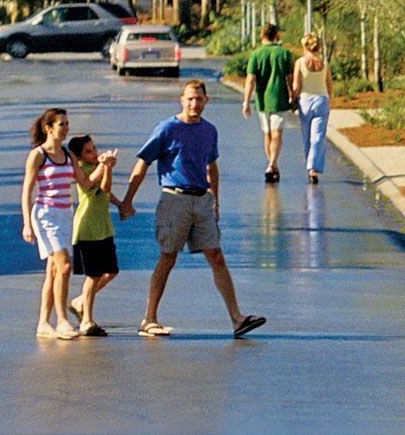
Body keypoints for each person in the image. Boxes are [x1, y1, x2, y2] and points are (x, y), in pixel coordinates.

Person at [120, 78, 265, 339]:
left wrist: (215, 200)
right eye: (189, 99)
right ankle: (149, 318)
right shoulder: (167, 128)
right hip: (174, 199)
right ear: (181, 100)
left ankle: (237, 318)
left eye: (199, 99)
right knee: (168, 256)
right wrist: (128, 199)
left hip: (202, 200)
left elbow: (212, 166)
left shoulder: (209, 130)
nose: (194, 103)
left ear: (206, 101)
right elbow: (143, 163)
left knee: (216, 256)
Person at [19, 109, 81, 342]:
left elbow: (83, 181)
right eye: (61, 124)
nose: (65, 128)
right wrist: (27, 223)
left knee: (54, 271)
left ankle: (43, 323)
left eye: (67, 124)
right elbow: (27, 190)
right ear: (48, 128)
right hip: (45, 215)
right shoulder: (38, 155)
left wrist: (105, 166)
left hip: (66, 214)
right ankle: (63, 320)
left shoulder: (67, 154)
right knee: (65, 267)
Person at [66, 130, 122, 336]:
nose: (94, 153)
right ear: (80, 157)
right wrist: (103, 165)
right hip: (87, 228)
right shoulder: (81, 169)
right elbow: (90, 182)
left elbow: (105, 188)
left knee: (111, 271)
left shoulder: (97, 167)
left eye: (94, 149)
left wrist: (121, 204)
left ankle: (80, 301)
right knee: (93, 275)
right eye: (89, 151)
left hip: (103, 227)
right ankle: (87, 320)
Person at [241, 22, 300, 185]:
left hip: (262, 100)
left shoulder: (256, 54)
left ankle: (271, 165)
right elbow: (290, 78)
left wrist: (246, 101)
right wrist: (293, 97)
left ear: (262, 36)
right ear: (276, 36)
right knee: (277, 134)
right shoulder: (284, 54)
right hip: (280, 99)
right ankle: (272, 164)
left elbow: (250, 79)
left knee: (267, 134)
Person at [294, 31, 335, 183]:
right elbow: (329, 84)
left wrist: (293, 100)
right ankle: (314, 169)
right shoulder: (324, 63)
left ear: (305, 46)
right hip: (321, 100)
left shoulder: (300, 62)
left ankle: (309, 165)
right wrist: (330, 99)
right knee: (318, 137)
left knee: (307, 137)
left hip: (305, 101)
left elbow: (296, 85)